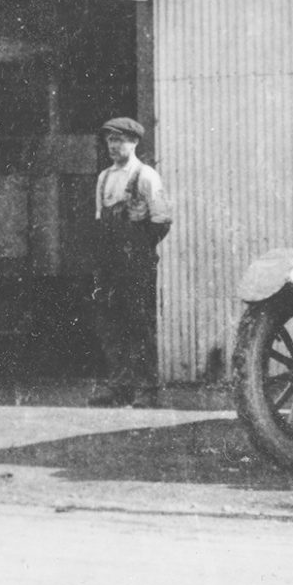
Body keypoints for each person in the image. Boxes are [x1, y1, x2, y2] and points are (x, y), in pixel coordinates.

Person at [89, 116, 172, 408]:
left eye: (119, 140)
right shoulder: (104, 178)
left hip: (136, 262)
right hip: (110, 262)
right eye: (110, 140)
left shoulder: (146, 176)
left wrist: (139, 246)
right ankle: (118, 387)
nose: (113, 145)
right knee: (110, 323)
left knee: (140, 323)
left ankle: (146, 389)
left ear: (134, 142)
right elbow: (101, 221)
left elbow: (162, 220)